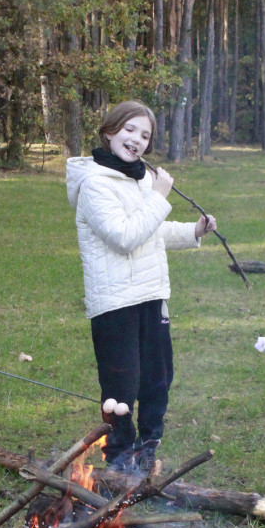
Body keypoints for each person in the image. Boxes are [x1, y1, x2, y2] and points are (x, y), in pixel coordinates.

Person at [65, 100, 216, 476]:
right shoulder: (94, 183)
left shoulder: (141, 179)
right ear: (110, 131)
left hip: (151, 294)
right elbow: (124, 236)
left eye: (145, 135)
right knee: (121, 384)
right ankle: (118, 453)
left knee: (157, 378)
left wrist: (192, 231)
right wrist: (158, 196)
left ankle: (148, 448)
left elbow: (152, 231)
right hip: (115, 300)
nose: (136, 140)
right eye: (129, 130)